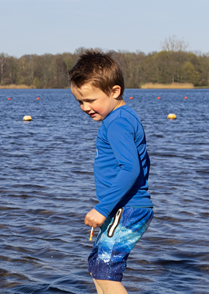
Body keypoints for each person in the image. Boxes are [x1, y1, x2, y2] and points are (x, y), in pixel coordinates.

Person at [67, 51, 154, 294]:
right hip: (120, 207)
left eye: (91, 100)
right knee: (98, 267)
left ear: (114, 91)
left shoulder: (117, 122)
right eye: (80, 102)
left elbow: (131, 168)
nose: (85, 108)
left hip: (127, 208)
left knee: (106, 271)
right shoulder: (121, 117)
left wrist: (103, 208)